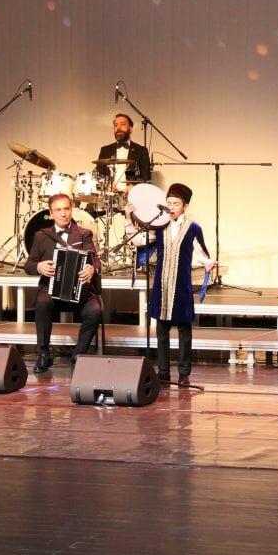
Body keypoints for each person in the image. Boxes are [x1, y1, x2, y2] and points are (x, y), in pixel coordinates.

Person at [126, 183, 217, 386]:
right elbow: (139, 240)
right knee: (162, 330)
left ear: (185, 206)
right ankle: (163, 372)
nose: (171, 207)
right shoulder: (160, 225)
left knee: (184, 330)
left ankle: (184, 373)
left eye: (176, 204)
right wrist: (128, 218)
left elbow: (200, 251)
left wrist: (208, 263)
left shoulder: (193, 227)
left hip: (182, 286)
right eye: (168, 203)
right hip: (162, 285)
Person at [24, 193, 103, 373]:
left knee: (95, 310)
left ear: (71, 210)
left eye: (66, 209)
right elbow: (29, 265)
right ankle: (44, 354)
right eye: (58, 210)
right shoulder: (41, 236)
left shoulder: (84, 234)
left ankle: (78, 353)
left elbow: (96, 260)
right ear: (51, 213)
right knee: (42, 303)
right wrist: (39, 267)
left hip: (80, 290)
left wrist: (92, 268)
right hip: (52, 290)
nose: (63, 213)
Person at [96, 113, 152, 191]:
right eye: (115, 125)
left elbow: (146, 177)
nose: (118, 127)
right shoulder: (105, 150)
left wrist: (132, 187)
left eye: (122, 124)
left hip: (132, 195)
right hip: (109, 195)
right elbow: (99, 175)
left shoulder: (141, 151)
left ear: (130, 129)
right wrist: (107, 185)